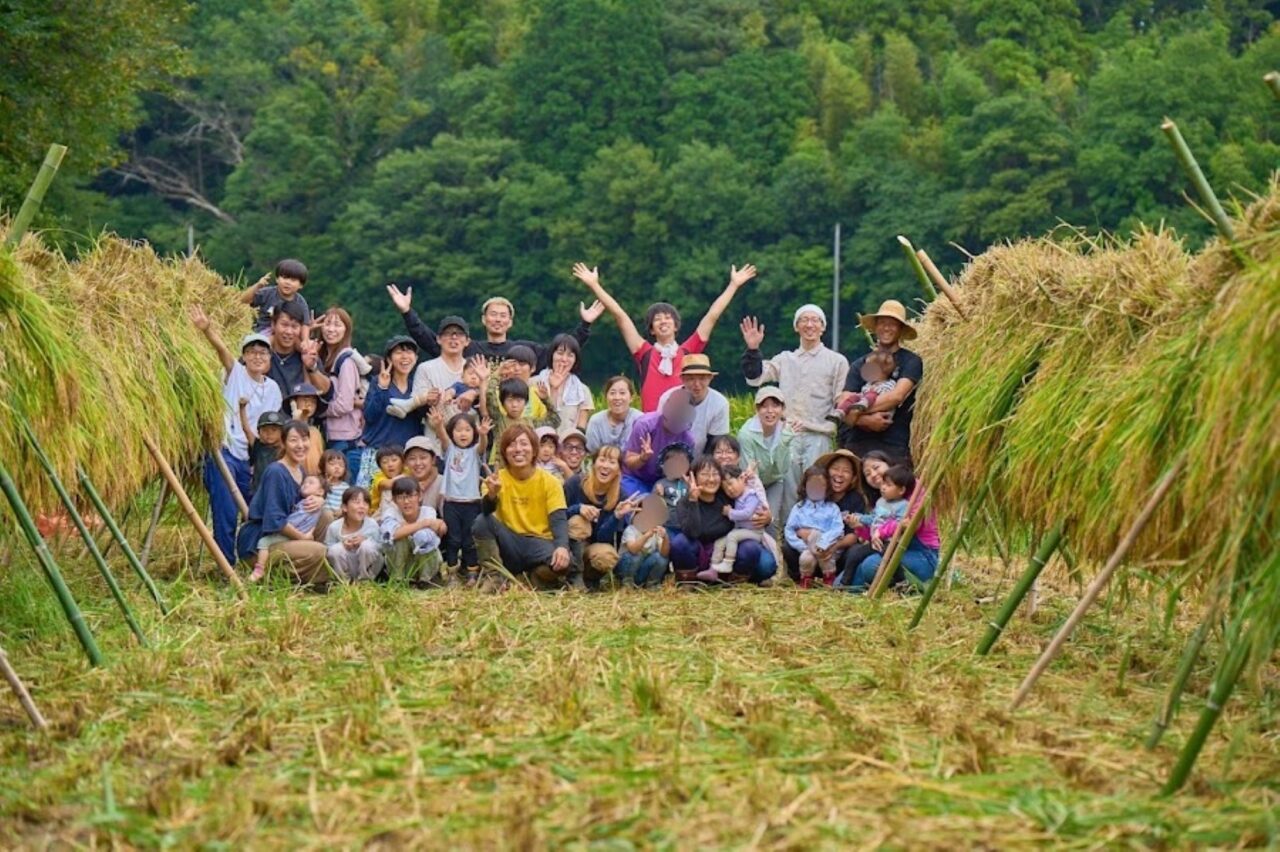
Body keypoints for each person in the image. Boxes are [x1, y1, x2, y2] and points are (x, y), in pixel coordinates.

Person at [572, 262, 757, 411]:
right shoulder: (644, 353)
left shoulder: (688, 352)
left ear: (676, 326)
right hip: (651, 430)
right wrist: (595, 285)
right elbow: (620, 316)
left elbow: (712, 316)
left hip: (681, 424)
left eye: (668, 318)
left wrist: (733, 285)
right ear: (651, 329)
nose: (663, 321)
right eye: (657, 319)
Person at [741, 304, 849, 525]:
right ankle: (788, 546)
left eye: (815, 320)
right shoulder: (785, 359)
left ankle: (817, 541)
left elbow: (842, 398)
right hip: (788, 434)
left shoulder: (837, 361)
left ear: (822, 327)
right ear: (797, 327)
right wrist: (753, 350)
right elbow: (757, 377)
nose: (810, 324)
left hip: (819, 434)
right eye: (804, 320)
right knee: (789, 493)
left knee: (818, 489)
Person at [191, 308, 284, 563]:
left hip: (254, 457)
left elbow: (271, 431)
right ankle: (225, 566)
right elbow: (222, 352)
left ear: (269, 358)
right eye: (252, 352)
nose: (257, 356)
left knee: (256, 510)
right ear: (243, 356)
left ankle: (249, 559)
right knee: (226, 510)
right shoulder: (236, 375)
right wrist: (207, 328)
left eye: (263, 352)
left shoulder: (274, 389)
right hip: (227, 451)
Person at [385, 284, 604, 368]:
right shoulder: (468, 349)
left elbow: (561, 352)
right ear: (484, 319)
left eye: (503, 316)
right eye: (493, 315)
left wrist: (585, 325)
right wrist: (407, 312)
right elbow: (430, 341)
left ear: (510, 321)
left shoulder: (524, 351)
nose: (498, 319)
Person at [472, 424, 571, 590]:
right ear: (504, 451)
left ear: (534, 450)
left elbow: (558, 519)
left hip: (538, 543)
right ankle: (494, 576)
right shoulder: (495, 479)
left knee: (564, 562)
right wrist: (492, 495)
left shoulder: (551, 482)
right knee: (481, 521)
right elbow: (486, 512)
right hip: (508, 542)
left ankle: (534, 577)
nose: (518, 449)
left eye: (524, 444)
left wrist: (562, 547)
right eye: (512, 444)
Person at [235, 421, 333, 584]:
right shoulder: (276, 472)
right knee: (319, 550)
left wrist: (320, 499)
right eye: (294, 440)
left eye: (304, 439)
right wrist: (303, 538)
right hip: (260, 544)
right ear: (283, 443)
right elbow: (275, 521)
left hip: (286, 536)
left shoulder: (300, 470)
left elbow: (304, 505)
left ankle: (317, 570)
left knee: (326, 516)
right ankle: (269, 575)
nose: (300, 445)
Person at [669, 456, 774, 586]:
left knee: (764, 563)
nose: (711, 479)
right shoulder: (685, 503)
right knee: (680, 542)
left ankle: (733, 582)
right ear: (693, 477)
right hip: (699, 554)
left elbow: (753, 498)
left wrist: (768, 517)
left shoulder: (728, 496)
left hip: (728, 554)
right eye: (705, 474)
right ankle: (690, 582)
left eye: (715, 474)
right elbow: (693, 533)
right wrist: (693, 501)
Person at [840, 300, 923, 463]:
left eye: (892, 324)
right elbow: (844, 400)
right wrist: (865, 421)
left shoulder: (911, 361)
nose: (887, 328)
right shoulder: (859, 364)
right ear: (875, 327)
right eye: (883, 323)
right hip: (857, 444)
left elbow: (896, 396)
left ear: (900, 330)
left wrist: (854, 413)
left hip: (894, 445)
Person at [779, 449, 871, 584]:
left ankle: (838, 580)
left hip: (835, 555)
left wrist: (831, 547)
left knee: (855, 551)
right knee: (787, 547)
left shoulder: (855, 499)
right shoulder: (810, 495)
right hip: (807, 552)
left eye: (846, 471)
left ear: (853, 478)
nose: (839, 474)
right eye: (835, 469)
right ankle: (801, 578)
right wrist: (804, 534)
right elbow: (792, 525)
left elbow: (854, 535)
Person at [844, 465, 940, 592]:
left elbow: (907, 524)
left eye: (876, 467)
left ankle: (902, 584)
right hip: (885, 546)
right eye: (867, 473)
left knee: (871, 565)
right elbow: (875, 522)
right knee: (855, 555)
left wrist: (881, 532)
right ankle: (845, 586)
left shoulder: (911, 497)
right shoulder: (881, 501)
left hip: (915, 550)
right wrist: (859, 524)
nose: (873, 475)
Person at [431, 410, 492, 587]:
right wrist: (439, 425)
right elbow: (443, 438)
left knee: (469, 540)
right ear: (452, 433)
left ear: (473, 432)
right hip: (451, 502)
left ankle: (472, 572)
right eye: (458, 430)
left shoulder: (475, 452)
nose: (463, 433)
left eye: (467, 429)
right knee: (453, 539)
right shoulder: (450, 450)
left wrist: (483, 435)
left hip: (472, 503)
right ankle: (452, 573)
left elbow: (483, 446)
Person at [358, 336, 425, 484]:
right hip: (378, 453)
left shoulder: (418, 386)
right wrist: (382, 388)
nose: (405, 357)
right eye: (399, 352)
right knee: (369, 502)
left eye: (409, 352)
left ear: (416, 358)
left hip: (406, 456)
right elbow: (369, 415)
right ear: (389, 358)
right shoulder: (378, 382)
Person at [563, 446, 629, 590]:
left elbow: (604, 539)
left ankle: (590, 579)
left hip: (593, 548)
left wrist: (616, 516)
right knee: (579, 522)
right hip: (568, 546)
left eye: (612, 462)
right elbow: (558, 516)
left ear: (619, 469)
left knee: (607, 556)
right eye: (602, 460)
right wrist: (578, 509)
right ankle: (575, 575)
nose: (605, 466)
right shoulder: (575, 483)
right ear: (593, 463)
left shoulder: (621, 496)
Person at [395, 315, 469, 435]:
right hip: (435, 440)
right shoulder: (425, 368)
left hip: (471, 442)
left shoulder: (475, 369)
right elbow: (416, 409)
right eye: (448, 333)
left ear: (467, 341)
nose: (454, 337)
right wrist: (427, 400)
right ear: (438, 339)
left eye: (459, 334)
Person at [316, 307, 368, 478]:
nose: (331, 329)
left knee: (344, 492)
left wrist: (320, 411)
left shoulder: (346, 362)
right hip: (332, 436)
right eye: (327, 323)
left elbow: (344, 404)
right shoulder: (323, 358)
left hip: (346, 440)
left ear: (347, 330)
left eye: (338, 325)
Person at [736, 386, 793, 530]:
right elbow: (749, 473)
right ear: (757, 409)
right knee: (755, 520)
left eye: (775, 405)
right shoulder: (746, 434)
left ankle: (773, 551)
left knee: (770, 522)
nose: (770, 411)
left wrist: (784, 443)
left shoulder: (787, 431)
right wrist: (762, 503)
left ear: (782, 408)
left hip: (775, 480)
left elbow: (783, 469)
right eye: (764, 406)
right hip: (751, 483)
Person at [621, 388, 696, 496]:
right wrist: (642, 458)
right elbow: (629, 462)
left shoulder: (688, 439)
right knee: (638, 503)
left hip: (665, 482)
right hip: (635, 478)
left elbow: (681, 474)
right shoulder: (645, 425)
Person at [252, 473, 325, 582]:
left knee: (263, 542)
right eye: (304, 483)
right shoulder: (311, 501)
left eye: (310, 483)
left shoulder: (307, 503)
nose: (306, 485)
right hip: (301, 534)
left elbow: (296, 519)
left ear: (320, 491)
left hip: (293, 534)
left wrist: (287, 525)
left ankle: (260, 569)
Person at [785, 466, 846, 588]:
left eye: (821, 486)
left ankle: (828, 578)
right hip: (805, 547)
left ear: (827, 488)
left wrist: (823, 542)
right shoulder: (799, 508)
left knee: (816, 536)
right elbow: (789, 530)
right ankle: (806, 580)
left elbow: (837, 529)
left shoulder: (832, 508)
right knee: (806, 557)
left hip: (827, 548)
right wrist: (802, 546)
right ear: (805, 486)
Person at [381, 476, 446, 585]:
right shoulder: (390, 513)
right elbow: (393, 535)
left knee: (423, 537)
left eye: (410, 496)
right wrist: (423, 523)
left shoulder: (428, 511)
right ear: (394, 500)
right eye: (401, 497)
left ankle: (426, 580)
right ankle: (398, 580)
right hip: (402, 566)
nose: (406, 501)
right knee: (400, 539)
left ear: (419, 496)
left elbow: (430, 535)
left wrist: (406, 528)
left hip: (423, 564)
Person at [703, 464, 762, 580]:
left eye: (730, 484)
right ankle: (713, 569)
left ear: (741, 478)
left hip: (754, 531)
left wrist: (730, 512)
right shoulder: (738, 497)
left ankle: (728, 563)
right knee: (720, 542)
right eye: (725, 488)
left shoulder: (751, 495)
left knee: (732, 536)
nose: (729, 489)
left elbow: (747, 513)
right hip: (741, 529)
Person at [263, 299, 330, 401]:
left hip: (297, 415)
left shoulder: (307, 353)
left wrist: (311, 368)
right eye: (284, 325)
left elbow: (325, 389)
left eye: (294, 326)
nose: (289, 331)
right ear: (273, 325)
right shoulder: (261, 351)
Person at [534, 334, 595, 437]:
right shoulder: (533, 383)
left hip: (568, 447)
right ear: (551, 354)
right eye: (560, 353)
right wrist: (553, 388)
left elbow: (581, 429)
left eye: (570, 355)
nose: (564, 359)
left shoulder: (582, 390)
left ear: (575, 360)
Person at [324, 486, 383, 582]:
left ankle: (365, 582)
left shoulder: (372, 524)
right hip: (347, 565)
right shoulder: (334, 527)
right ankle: (344, 582)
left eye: (365, 503)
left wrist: (365, 540)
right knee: (335, 549)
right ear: (345, 507)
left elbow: (382, 547)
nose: (362, 506)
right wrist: (343, 544)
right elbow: (327, 548)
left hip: (367, 567)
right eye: (357, 502)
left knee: (367, 546)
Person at [677, 355, 730, 455]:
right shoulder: (668, 398)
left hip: (703, 459)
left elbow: (715, 443)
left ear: (710, 378)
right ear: (682, 379)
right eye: (691, 379)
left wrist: (702, 468)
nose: (697, 384)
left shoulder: (720, 403)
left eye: (702, 378)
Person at [848, 464, 911, 547]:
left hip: (890, 545)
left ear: (901, 490)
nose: (883, 487)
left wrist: (881, 532)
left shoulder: (903, 505)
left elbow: (900, 525)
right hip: (874, 540)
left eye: (888, 485)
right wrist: (858, 518)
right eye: (883, 483)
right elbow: (873, 518)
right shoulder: (880, 501)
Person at [242, 259, 313, 331]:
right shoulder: (267, 293)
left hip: (288, 334)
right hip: (263, 333)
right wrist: (258, 286)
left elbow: (305, 324)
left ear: (301, 285)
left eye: (293, 280)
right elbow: (243, 301)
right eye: (285, 278)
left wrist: (305, 340)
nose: (287, 282)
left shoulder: (300, 302)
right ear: (277, 279)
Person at [617, 494, 670, 588]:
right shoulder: (631, 529)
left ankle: (652, 583)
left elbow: (664, 553)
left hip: (643, 570)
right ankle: (627, 584)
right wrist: (647, 535)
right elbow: (633, 549)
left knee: (661, 558)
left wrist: (665, 537)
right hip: (627, 569)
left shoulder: (657, 529)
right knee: (635, 556)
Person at [585, 376, 641, 455]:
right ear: (606, 397)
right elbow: (592, 453)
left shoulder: (639, 419)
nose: (617, 397)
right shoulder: (596, 421)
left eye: (622, 393)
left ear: (631, 397)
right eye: (612, 393)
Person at [835, 350, 897, 420]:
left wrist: (871, 393)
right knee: (853, 397)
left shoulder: (890, 384)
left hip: (882, 413)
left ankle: (863, 403)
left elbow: (888, 398)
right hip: (866, 412)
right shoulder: (868, 384)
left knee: (872, 393)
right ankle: (841, 411)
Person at [283, 382, 325, 476]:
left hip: (313, 481)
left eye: (313, 401)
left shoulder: (315, 432)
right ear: (293, 402)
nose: (309, 404)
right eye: (304, 400)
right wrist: (295, 421)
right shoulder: (284, 429)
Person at [402, 436, 444, 515]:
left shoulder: (442, 483)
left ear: (433, 460)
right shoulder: (400, 483)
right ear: (406, 462)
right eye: (412, 458)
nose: (418, 463)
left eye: (423, 457)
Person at [249, 410, 286, 497]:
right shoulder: (258, 446)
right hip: (258, 492)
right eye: (265, 430)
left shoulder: (284, 450)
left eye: (274, 430)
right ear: (259, 432)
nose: (269, 433)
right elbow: (246, 429)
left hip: (277, 492)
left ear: (282, 432)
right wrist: (242, 408)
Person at [654, 442, 692, 513]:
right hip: (666, 522)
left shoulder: (690, 483)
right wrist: (659, 495)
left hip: (685, 522)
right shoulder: (661, 484)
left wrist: (690, 488)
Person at [369, 445, 404, 518]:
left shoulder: (406, 471)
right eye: (385, 462)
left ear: (403, 462)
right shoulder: (379, 477)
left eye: (394, 460)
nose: (390, 464)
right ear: (380, 467)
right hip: (377, 511)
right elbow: (389, 484)